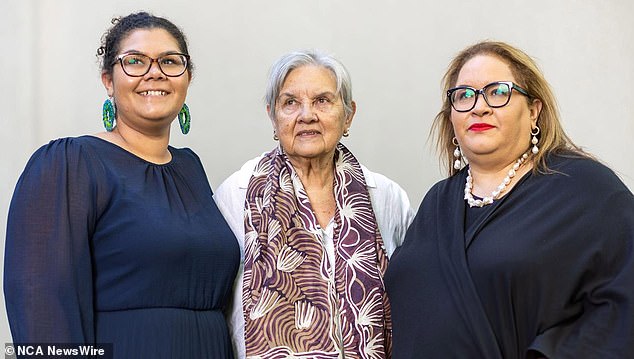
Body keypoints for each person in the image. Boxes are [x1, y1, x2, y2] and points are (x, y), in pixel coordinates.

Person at [4, 12, 239, 358]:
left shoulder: (190, 168)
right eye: (135, 61)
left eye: (170, 61)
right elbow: (40, 299)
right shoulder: (71, 163)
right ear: (108, 81)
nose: (154, 71)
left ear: (187, 78)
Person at [384, 40, 634, 358]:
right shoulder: (438, 201)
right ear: (451, 119)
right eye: (464, 96)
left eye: (498, 92)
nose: (479, 106)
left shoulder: (583, 189)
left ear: (533, 110)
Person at [214, 50, 415, 358]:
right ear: (272, 115)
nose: (306, 115)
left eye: (323, 100)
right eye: (290, 102)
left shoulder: (387, 198)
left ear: (348, 114)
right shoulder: (237, 194)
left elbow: (416, 299)